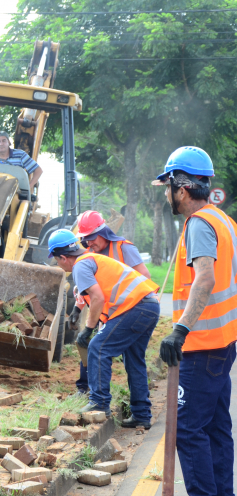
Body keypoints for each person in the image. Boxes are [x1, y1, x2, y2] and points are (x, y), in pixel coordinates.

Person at [154, 146, 237, 496]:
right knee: (216, 428)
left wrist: (179, 331)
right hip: (223, 344)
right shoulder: (224, 220)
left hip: (202, 349)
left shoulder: (200, 224)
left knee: (187, 430)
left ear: (182, 189)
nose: (167, 197)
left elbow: (205, 279)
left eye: (168, 189)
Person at [47, 229, 159, 420]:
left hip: (135, 308)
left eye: (57, 261)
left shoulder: (80, 266)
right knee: (134, 360)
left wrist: (88, 330)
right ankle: (141, 415)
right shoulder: (92, 259)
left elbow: (97, 298)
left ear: (64, 257)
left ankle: (99, 403)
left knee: (98, 348)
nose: (58, 264)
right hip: (149, 306)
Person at [71, 210, 152, 395]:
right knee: (92, 346)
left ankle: (103, 400)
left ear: (103, 231)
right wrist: (78, 307)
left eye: (92, 237)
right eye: (85, 239)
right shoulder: (90, 252)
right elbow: (90, 288)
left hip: (129, 312)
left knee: (126, 357)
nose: (89, 243)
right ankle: (85, 389)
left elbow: (145, 278)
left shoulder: (124, 248)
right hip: (106, 312)